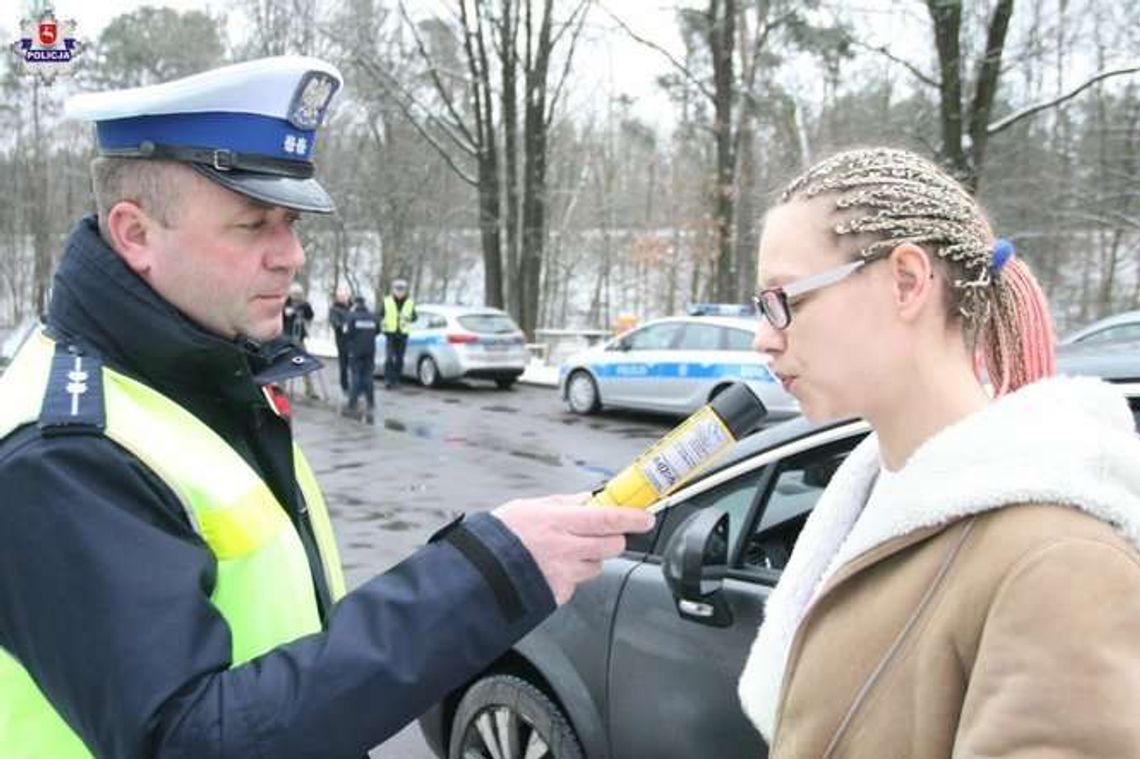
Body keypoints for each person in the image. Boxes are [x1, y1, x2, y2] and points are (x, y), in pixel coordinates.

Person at [0, 56, 653, 759]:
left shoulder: (202, 376)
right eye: (254, 225)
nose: (293, 255)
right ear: (135, 234)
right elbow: (189, 737)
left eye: (290, 221)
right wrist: (478, 578)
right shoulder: (66, 450)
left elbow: (283, 639)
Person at [736, 147, 1140, 756]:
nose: (764, 338)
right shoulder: (871, 500)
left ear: (907, 281)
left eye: (785, 299)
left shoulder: (1058, 564)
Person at [343, 295, 379, 423]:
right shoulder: (373, 316)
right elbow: (377, 331)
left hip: (356, 350)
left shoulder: (351, 316)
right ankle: (371, 401)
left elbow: (347, 332)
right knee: (368, 376)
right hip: (370, 350)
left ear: (355, 304)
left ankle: (352, 402)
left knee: (356, 375)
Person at [282, 282, 317, 398]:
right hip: (286, 338)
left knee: (303, 362)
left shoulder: (303, 304)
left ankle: (310, 390)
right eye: (295, 294)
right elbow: (284, 315)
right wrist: (291, 310)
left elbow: (309, 316)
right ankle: (281, 389)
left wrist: (305, 307)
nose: (297, 296)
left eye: (299, 294)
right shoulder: (285, 302)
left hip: (299, 338)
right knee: (283, 363)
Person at [381, 277, 415, 388]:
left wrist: (407, 318)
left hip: (403, 334)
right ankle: (387, 380)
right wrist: (383, 327)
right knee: (389, 358)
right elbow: (380, 315)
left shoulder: (409, 302)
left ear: (405, 291)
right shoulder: (387, 301)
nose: (399, 292)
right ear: (393, 290)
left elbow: (414, 317)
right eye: (397, 289)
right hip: (390, 333)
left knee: (400, 359)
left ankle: (396, 380)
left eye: (402, 290)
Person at [328, 285, 353, 395]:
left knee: (354, 364)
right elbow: (334, 322)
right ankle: (345, 386)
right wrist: (342, 326)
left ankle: (355, 386)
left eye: (345, 296)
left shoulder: (353, 307)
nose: (343, 298)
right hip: (342, 340)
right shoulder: (334, 309)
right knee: (344, 364)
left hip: (355, 340)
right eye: (341, 296)